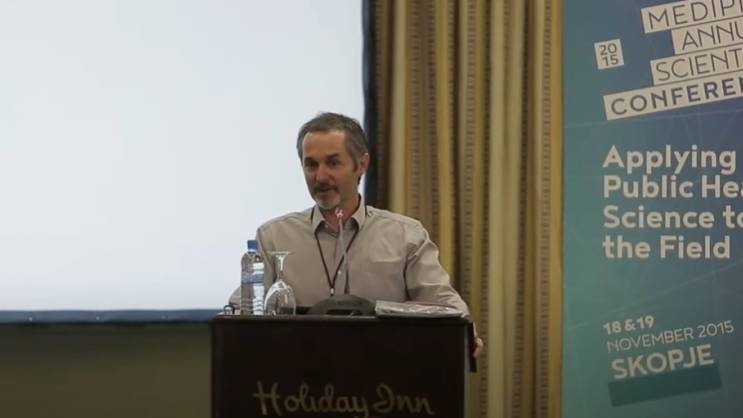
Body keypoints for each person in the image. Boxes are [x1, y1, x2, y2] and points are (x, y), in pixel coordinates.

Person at [231, 112, 483, 356]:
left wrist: (465, 333)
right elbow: (239, 312)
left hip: (385, 371)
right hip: (296, 374)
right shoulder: (274, 236)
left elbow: (446, 305)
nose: (320, 176)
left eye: (333, 163)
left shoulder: (406, 236)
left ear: (361, 164)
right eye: (311, 165)